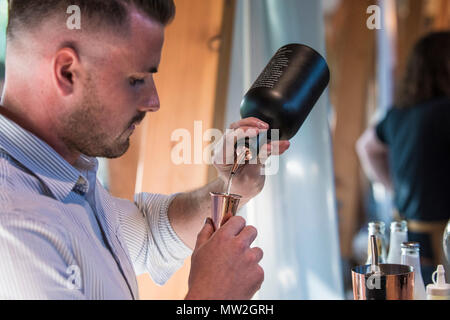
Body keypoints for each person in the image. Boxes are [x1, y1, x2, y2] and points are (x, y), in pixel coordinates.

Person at [0, 0, 291, 299]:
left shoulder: (65, 174)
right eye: (136, 80)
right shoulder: (15, 229)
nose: (153, 102)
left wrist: (234, 185)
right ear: (67, 72)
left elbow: (149, 236)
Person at [357, 31, 450, 282]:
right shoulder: (445, 110)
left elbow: (365, 147)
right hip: (444, 240)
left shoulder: (398, 114)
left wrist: (394, 188)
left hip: (407, 233)